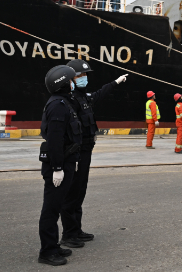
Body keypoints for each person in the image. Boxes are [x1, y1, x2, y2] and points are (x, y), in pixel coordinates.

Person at [60, 59, 127, 247]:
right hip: (75, 153)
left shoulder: (83, 96)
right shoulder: (69, 99)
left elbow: (98, 95)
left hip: (86, 152)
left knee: (80, 191)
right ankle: (68, 234)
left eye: (85, 75)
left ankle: (77, 229)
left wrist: (116, 82)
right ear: (71, 78)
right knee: (72, 193)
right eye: (81, 75)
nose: (85, 78)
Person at [38, 65, 83, 266]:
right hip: (58, 164)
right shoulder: (57, 105)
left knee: (55, 207)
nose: (74, 82)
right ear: (65, 84)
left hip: (65, 161)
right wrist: (57, 168)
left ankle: (54, 246)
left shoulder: (64, 103)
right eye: (72, 80)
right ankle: (47, 252)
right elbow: (54, 140)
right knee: (51, 209)